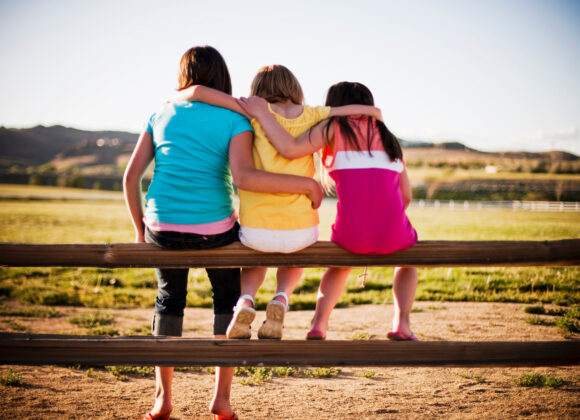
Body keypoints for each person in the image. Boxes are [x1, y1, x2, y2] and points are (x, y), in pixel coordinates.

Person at [123, 47, 323, 420]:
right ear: (223, 77)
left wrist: (140, 231)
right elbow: (244, 176)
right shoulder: (236, 118)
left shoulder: (160, 112)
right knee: (227, 298)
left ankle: (162, 400)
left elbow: (131, 176)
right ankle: (222, 400)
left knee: (169, 300)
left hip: (161, 228)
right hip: (215, 230)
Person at [170, 66, 382, 340]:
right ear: (294, 88)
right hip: (300, 230)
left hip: (256, 228)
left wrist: (174, 98)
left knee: (255, 254)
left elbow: (198, 92)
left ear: (258, 90)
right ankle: (281, 298)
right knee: (294, 254)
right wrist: (375, 113)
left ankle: (246, 299)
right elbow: (345, 111)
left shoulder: (252, 112)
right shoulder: (312, 114)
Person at [237, 81, 419, 341]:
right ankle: (402, 323)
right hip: (393, 233)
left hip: (351, 235)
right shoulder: (389, 138)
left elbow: (289, 149)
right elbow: (407, 196)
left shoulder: (334, 127)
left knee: (338, 265)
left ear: (333, 106)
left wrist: (264, 114)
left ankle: (318, 324)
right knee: (408, 261)